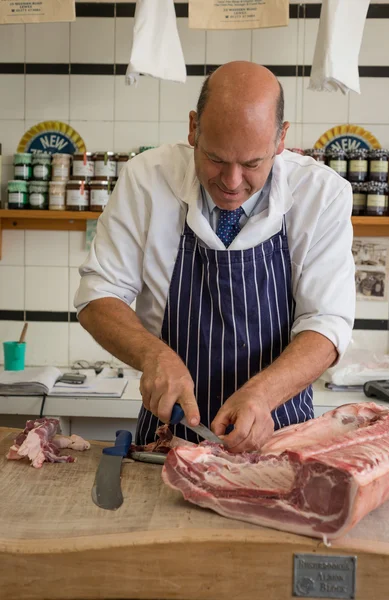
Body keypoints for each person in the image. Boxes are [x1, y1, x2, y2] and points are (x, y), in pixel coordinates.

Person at [75, 61, 355, 453]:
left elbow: (327, 324)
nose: (232, 181)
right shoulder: (147, 179)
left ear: (281, 139)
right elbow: (97, 296)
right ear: (193, 127)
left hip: (280, 443)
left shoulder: (321, 195)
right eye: (216, 158)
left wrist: (262, 394)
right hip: (167, 443)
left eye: (253, 163)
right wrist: (152, 354)